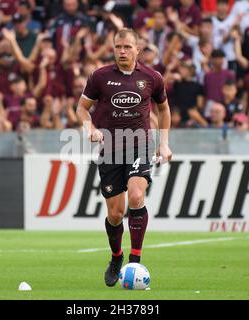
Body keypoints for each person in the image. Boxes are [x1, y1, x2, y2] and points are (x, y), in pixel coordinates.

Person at [76, 28, 172, 287]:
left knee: (137, 196)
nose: (122, 51)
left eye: (127, 47)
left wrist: (163, 144)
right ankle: (116, 256)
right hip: (111, 150)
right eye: (118, 47)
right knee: (116, 214)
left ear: (137, 49)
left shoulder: (152, 78)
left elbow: (164, 110)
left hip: (140, 145)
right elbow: (82, 109)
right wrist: (90, 128)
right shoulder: (100, 77)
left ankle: (136, 259)